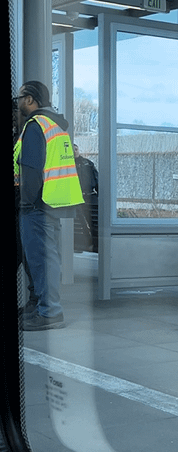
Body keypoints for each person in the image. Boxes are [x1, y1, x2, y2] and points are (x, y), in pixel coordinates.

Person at [13, 81, 84, 331]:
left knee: (42, 260)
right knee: (41, 258)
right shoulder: (55, 125)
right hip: (50, 202)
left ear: (30, 99)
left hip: (36, 205)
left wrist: (25, 202)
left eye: (20, 98)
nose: (17, 103)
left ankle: (50, 312)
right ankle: (39, 305)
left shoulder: (36, 125)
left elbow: (31, 170)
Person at [73, 143, 99, 252]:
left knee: (94, 223)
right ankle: (79, 245)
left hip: (90, 197)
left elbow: (97, 179)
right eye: (72, 149)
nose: (74, 151)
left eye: (76, 149)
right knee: (78, 223)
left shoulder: (87, 163)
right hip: (75, 198)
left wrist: (100, 196)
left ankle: (96, 246)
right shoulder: (67, 165)